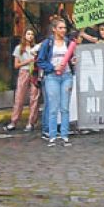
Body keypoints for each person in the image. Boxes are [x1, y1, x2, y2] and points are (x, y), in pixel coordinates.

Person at [36, 18, 75, 146]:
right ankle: (52, 135)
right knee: (53, 107)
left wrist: (73, 61)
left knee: (65, 107)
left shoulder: (68, 42)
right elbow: (40, 61)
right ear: (54, 29)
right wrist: (52, 68)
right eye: (60, 28)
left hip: (67, 75)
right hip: (52, 76)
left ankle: (64, 135)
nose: (63, 30)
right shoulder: (48, 43)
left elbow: (71, 57)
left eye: (64, 28)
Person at [6, 29, 41, 132]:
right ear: (24, 35)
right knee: (19, 97)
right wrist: (27, 61)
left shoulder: (36, 48)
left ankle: (31, 122)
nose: (30, 36)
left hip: (34, 72)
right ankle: (14, 121)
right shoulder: (19, 48)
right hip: (24, 72)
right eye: (28, 34)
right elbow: (16, 65)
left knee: (34, 98)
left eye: (32, 34)